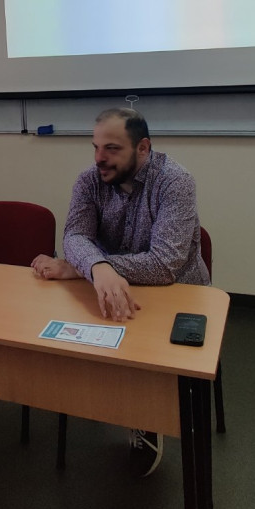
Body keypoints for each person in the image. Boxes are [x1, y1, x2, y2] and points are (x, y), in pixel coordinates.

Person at [31, 106, 209, 476]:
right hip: (111, 286)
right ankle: (106, 402)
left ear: (143, 148)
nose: (99, 158)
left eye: (112, 148)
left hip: (179, 295)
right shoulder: (89, 180)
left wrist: (84, 267)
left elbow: (164, 265)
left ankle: (146, 419)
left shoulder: (175, 182)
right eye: (96, 147)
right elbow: (75, 236)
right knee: (77, 331)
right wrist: (98, 268)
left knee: (143, 353)